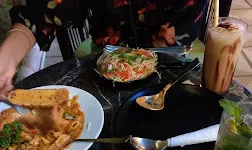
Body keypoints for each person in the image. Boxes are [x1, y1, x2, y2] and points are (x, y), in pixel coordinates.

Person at [0, 0, 214, 99]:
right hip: (107, 57)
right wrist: (7, 58)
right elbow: (36, 13)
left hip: (171, 58)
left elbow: (191, 21)